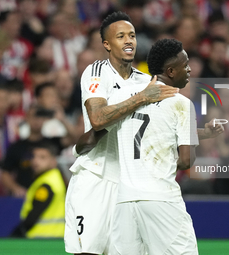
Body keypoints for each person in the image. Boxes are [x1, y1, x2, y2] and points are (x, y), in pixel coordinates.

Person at [64, 11, 179, 255]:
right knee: (88, 252)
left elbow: (166, 124)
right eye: (120, 36)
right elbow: (97, 119)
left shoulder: (144, 80)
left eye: (132, 35)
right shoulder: (96, 72)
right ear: (107, 44)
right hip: (97, 174)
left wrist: (198, 132)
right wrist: (142, 98)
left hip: (130, 181)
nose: (129, 41)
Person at [107, 38, 213, 254]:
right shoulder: (181, 103)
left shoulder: (122, 97)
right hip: (161, 198)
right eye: (185, 65)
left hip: (124, 200)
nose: (190, 69)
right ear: (171, 71)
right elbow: (186, 161)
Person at [11, 141, 66, 238]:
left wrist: (15, 234)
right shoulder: (53, 178)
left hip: (42, 239)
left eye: (42, 157)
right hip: (52, 238)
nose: (36, 161)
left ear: (53, 161)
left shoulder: (47, 184)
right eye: (34, 156)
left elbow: (32, 217)